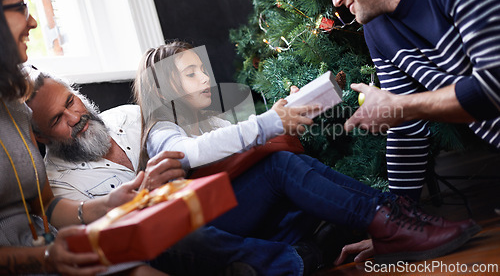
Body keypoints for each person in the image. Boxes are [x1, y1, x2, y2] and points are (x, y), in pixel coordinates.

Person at [133, 40, 478, 267]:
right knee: (279, 166)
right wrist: (266, 124)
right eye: (191, 73)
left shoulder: (211, 122)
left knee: (291, 165)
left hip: (238, 214)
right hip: (205, 229)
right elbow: (190, 154)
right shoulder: (162, 132)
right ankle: (392, 225)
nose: (205, 78)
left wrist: (283, 120)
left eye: (202, 69)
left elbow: (242, 147)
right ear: (165, 90)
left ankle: (396, 213)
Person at [27, 72, 326, 276]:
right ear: (41, 137)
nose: (75, 117)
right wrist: (144, 194)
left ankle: (350, 222)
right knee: (187, 235)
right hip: (173, 249)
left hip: (211, 214)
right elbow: (110, 250)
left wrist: (267, 122)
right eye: (57, 120)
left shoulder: (130, 116)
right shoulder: (58, 184)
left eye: (70, 101)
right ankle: (305, 255)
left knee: (276, 168)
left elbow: (205, 139)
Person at [0, 0, 166, 275]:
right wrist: (47, 258)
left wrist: (106, 205)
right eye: (20, 7)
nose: (33, 21)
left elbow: (45, 206)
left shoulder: (16, 107)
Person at [309, 0, 500, 201]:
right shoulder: (377, 30)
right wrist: (398, 224)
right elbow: (405, 128)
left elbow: (493, 86)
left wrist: (400, 106)